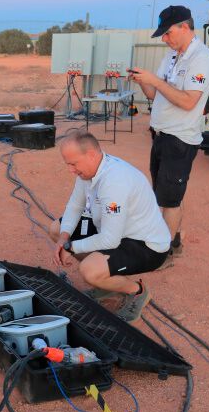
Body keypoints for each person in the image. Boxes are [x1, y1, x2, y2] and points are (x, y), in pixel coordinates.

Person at [50, 131, 171, 323]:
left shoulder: (115, 182)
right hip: (113, 228)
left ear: (90, 155)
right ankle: (106, 281)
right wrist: (64, 238)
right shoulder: (88, 171)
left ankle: (137, 292)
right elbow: (75, 205)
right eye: (68, 164)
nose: (70, 170)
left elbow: (110, 240)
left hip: (145, 244)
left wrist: (70, 247)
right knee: (57, 229)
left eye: (73, 164)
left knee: (89, 271)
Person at [128, 5, 209, 263]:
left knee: (170, 200)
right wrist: (144, 80)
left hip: (180, 139)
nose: (165, 39)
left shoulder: (202, 58)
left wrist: (155, 80)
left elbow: (189, 102)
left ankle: (161, 254)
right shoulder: (172, 56)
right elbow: (154, 95)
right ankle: (173, 242)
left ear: (185, 27)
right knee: (165, 195)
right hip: (162, 135)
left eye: (167, 33)